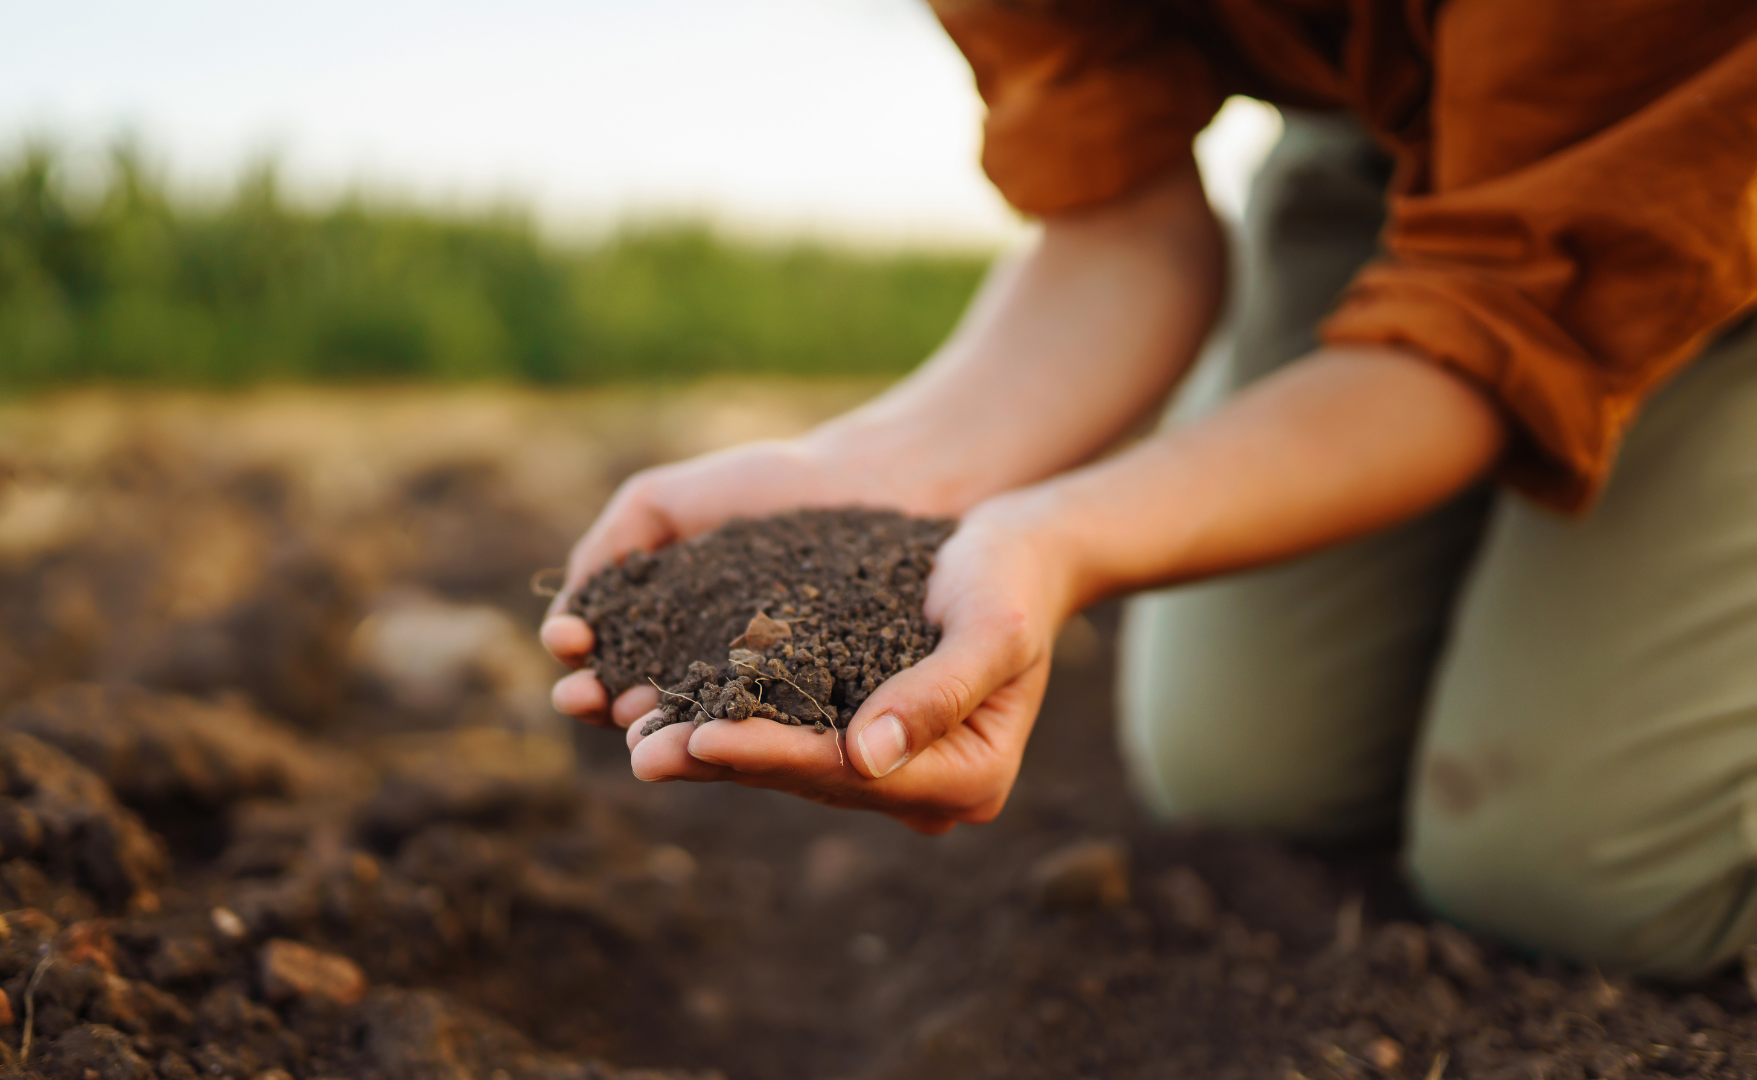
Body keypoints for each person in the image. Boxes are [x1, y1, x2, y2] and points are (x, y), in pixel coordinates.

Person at [541, 2, 1757, 977]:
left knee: (1579, 877)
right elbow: (1119, 229)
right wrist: (871, 477)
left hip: (1705, 140)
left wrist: (1064, 538)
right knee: (1249, 774)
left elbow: (1492, 323)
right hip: (1397, 139)